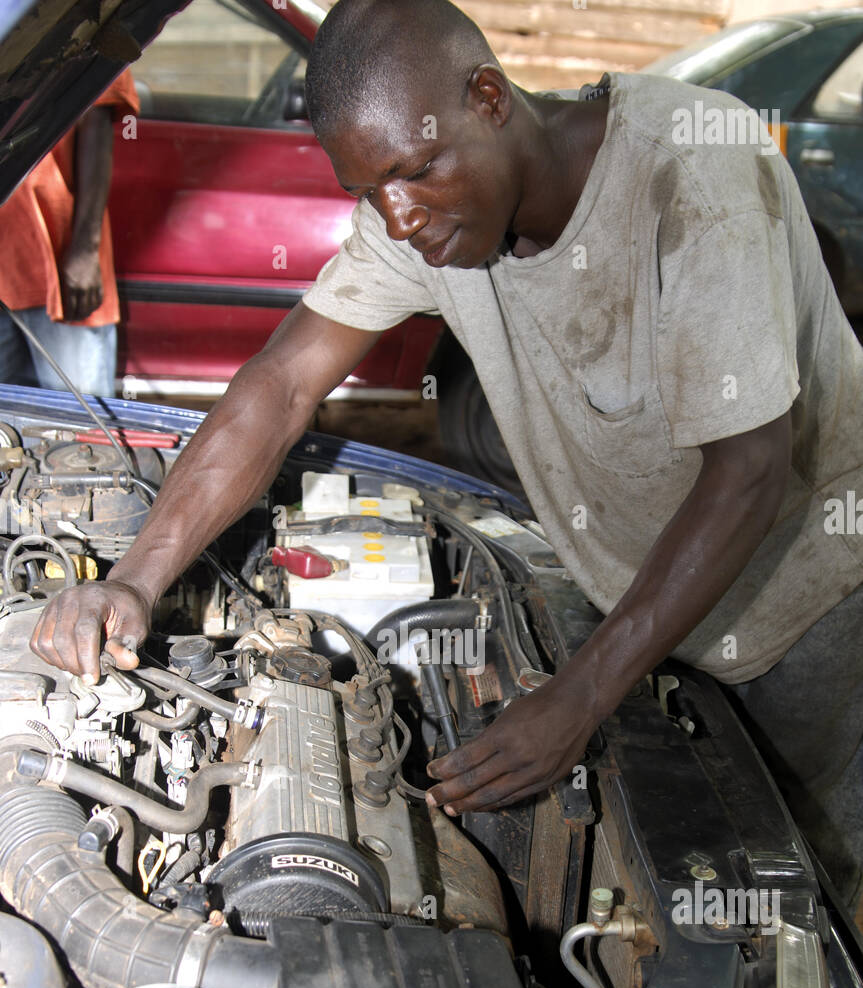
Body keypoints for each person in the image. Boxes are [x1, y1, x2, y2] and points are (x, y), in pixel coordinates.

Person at [29, 0, 863, 913]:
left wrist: (579, 699)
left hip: (803, 606)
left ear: (490, 99)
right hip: (638, 596)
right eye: (367, 191)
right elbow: (280, 386)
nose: (400, 216)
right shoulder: (414, 214)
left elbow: (747, 468)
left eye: (415, 171)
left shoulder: (693, 173)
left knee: (804, 895)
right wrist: (137, 579)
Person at [0, 72, 139, 395]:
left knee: (77, 431)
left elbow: (96, 123)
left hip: (61, 265)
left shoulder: (82, 23)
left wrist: (85, 251)